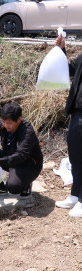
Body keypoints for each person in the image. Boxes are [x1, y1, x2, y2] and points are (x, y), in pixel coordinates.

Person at [0, 102, 43, 198]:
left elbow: (21, 155)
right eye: (4, 122)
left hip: (28, 164)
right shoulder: (2, 124)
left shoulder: (27, 132)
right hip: (10, 158)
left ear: (19, 119)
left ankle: (26, 184)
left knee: (13, 187)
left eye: (9, 123)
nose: (6, 126)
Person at [55, 35, 82, 217]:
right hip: (77, 113)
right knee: (76, 157)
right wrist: (61, 50)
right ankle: (75, 195)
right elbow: (67, 70)